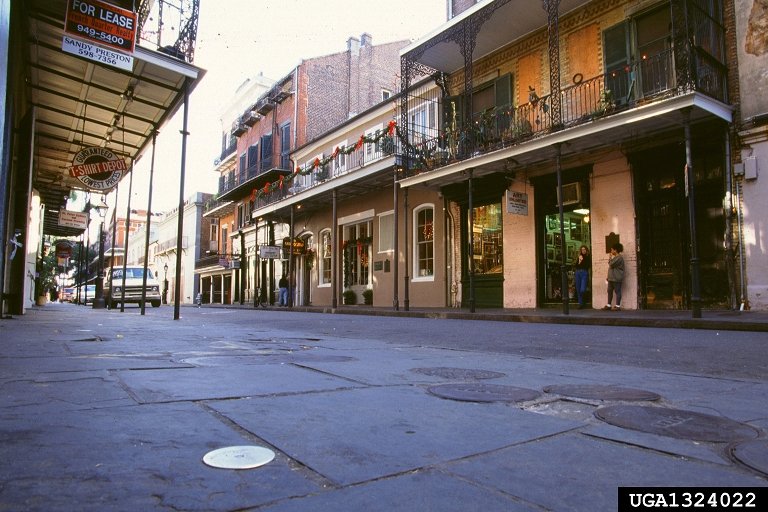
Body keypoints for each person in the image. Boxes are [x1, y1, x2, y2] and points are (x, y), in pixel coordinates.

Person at [604, 243, 625, 311]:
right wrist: (608, 276)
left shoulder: (619, 258)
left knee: (617, 291)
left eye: (612, 250)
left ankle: (617, 305)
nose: (611, 251)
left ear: (615, 250)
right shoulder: (615, 258)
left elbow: (611, 264)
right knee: (609, 290)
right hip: (611, 277)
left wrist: (610, 257)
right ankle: (609, 305)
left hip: (616, 277)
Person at [573, 245, 591, 309]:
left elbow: (587, 266)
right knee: (578, 289)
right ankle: (581, 304)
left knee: (582, 289)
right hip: (578, 272)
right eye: (582, 249)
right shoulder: (579, 257)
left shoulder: (588, 257)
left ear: (586, 250)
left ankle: (585, 301)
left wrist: (583, 260)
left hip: (584, 272)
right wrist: (579, 261)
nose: (583, 251)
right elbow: (576, 266)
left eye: (584, 249)